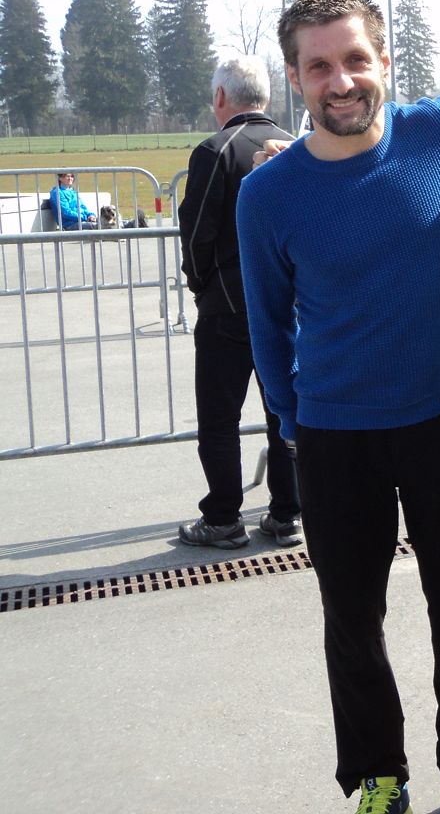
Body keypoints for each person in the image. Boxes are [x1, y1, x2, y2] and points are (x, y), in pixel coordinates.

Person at [237, 0, 440, 814]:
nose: (341, 81)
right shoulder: (268, 194)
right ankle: (379, 775)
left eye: (355, 59)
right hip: (335, 438)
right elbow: (267, 326)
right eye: (319, 66)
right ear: (295, 78)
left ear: (385, 62)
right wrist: (292, 425)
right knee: (352, 619)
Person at [176, 55, 302, 550]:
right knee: (283, 411)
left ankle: (224, 517)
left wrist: (201, 286)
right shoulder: (296, 146)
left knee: (219, 418)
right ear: (265, 97)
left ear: (220, 97)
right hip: (288, 304)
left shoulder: (215, 150)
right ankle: (288, 513)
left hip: (229, 305)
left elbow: (196, 234)